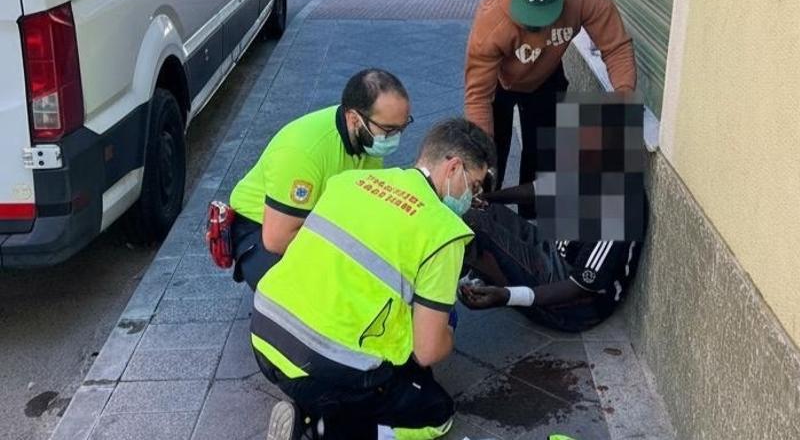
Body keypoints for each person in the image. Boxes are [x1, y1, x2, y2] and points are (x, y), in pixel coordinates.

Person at [254, 118, 495, 440]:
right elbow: (427, 351)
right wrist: (448, 325)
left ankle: (313, 411)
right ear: (452, 168)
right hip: (323, 368)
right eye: (475, 186)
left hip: (265, 335)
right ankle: (321, 432)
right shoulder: (444, 232)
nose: (472, 200)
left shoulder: (352, 180)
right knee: (435, 415)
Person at [464, 0, 637, 216]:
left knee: (543, 155)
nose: (533, 26)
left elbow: (616, 48)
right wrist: (480, 154)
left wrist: (623, 97)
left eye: (541, 16)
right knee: (490, 152)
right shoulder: (492, 17)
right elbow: (476, 96)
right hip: (499, 82)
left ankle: (532, 219)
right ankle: (484, 210)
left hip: (545, 77)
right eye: (528, 16)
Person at [229, 69, 412, 290]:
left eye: (402, 128)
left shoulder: (367, 138)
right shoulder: (303, 150)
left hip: (315, 218)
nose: (395, 138)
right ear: (355, 119)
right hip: (260, 229)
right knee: (323, 294)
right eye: (389, 130)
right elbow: (276, 239)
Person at [458, 182, 642, 332]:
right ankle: (488, 274)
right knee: (484, 210)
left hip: (574, 302)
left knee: (474, 222)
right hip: (552, 251)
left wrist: (508, 296)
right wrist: (486, 198)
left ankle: (492, 286)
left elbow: (578, 287)